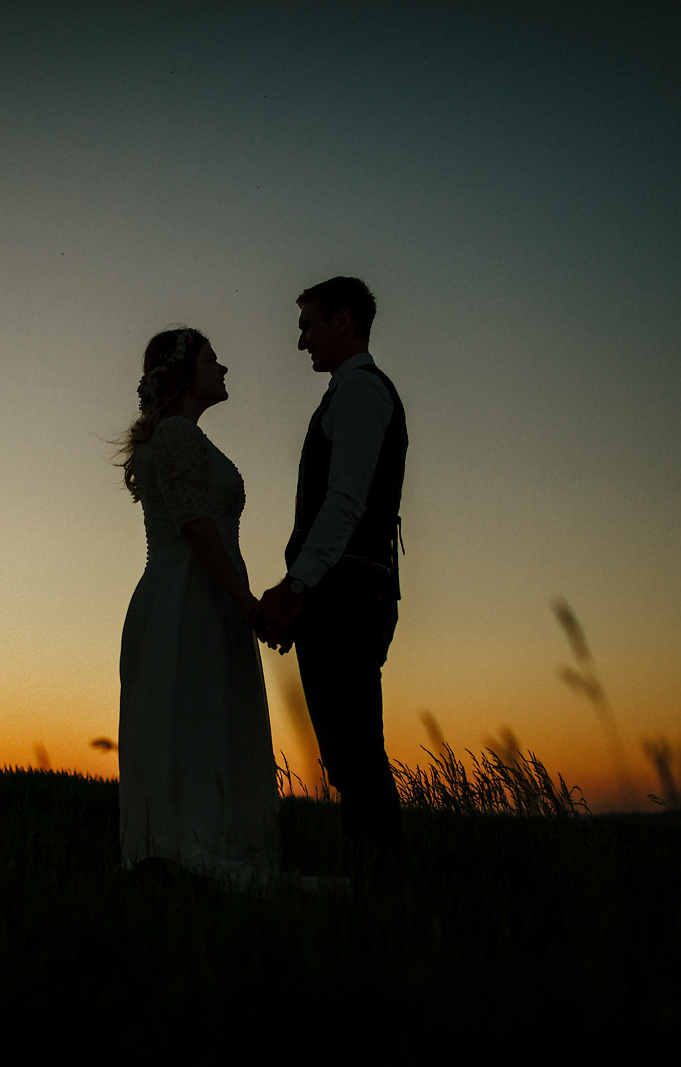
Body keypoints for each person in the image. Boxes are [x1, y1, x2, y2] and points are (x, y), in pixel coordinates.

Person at [115, 326, 281, 885]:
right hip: (187, 598)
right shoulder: (179, 436)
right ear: (186, 373)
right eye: (214, 359)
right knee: (189, 718)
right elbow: (194, 524)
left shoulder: (186, 436)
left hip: (198, 592)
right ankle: (187, 851)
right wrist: (243, 599)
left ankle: (205, 842)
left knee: (209, 720)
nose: (224, 368)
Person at [251, 277, 407, 863]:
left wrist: (296, 588)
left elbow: (345, 502)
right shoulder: (347, 392)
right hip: (343, 593)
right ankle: (369, 883)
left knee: (356, 751)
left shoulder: (361, 392)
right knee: (346, 755)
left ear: (343, 321)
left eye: (307, 326)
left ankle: (384, 889)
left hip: (348, 596)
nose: (301, 342)